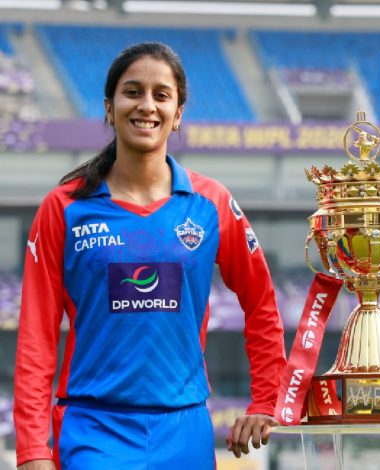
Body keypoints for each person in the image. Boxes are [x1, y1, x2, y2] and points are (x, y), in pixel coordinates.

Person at [13, 42, 286, 469]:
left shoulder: (211, 203)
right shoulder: (64, 208)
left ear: (178, 114)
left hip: (185, 431)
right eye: (132, 92)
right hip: (93, 430)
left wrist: (267, 399)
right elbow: (36, 335)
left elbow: (262, 303)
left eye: (161, 95)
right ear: (109, 108)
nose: (146, 105)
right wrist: (32, 450)